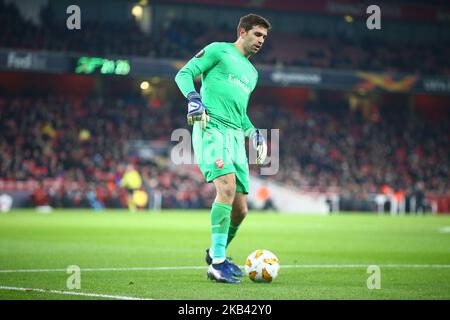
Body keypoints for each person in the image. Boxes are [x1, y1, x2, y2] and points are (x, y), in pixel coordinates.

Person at [175, 14, 271, 284]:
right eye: (257, 35)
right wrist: (194, 98)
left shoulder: (252, 74)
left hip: (235, 138)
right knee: (226, 187)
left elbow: (241, 115)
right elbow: (184, 74)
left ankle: (217, 254)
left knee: (241, 210)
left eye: (264, 37)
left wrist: (255, 134)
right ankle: (217, 265)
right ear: (242, 31)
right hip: (210, 127)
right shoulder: (219, 50)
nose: (261, 41)